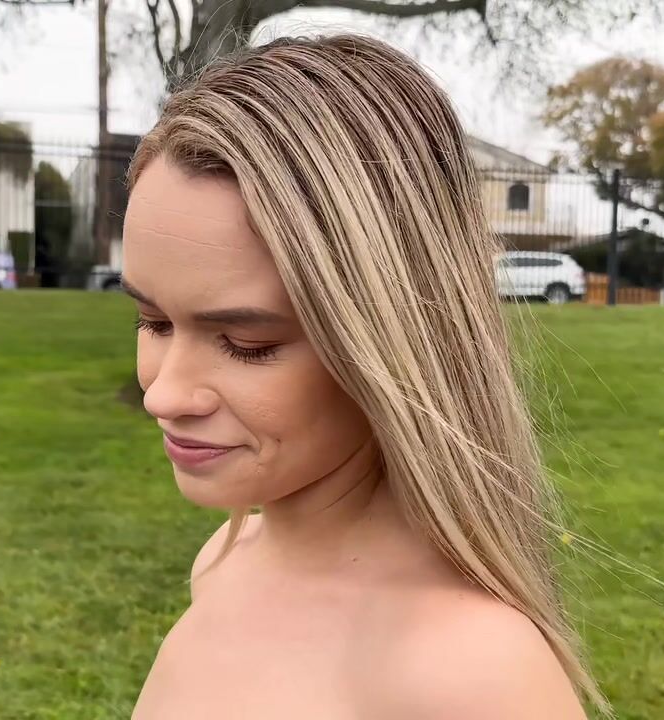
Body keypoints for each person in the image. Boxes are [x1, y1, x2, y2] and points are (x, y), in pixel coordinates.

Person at [120, 33, 603, 719]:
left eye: (247, 343)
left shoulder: (471, 672)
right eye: (153, 322)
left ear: (395, 339)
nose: (163, 393)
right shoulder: (224, 561)